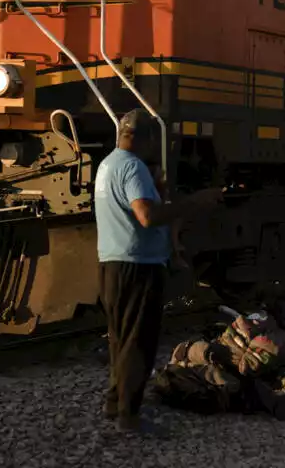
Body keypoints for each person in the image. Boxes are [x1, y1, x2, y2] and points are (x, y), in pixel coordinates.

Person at [95, 110, 220, 433]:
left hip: (111, 263)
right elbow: (147, 216)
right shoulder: (133, 167)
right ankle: (129, 416)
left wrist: (156, 189)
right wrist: (195, 202)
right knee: (139, 341)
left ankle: (114, 401)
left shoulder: (108, 164)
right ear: (145, 138)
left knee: (119, 339)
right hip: (137, 266)